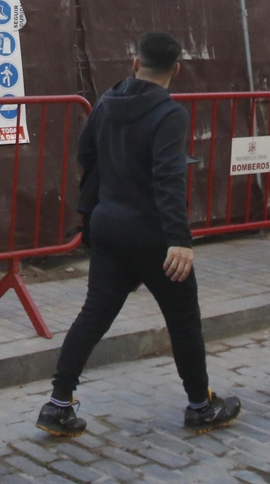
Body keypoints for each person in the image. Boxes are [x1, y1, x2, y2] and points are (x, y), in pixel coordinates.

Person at [36, 31, 241, 438]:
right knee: (183, 320)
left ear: (135, 63)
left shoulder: (106, 103)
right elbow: (168, 176)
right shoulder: (170, 115)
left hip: (108, 225)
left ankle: (58, 404)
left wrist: (95, 206)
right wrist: (179, 239)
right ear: (176, 70)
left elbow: (86, 156)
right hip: (153, 235)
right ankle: (200, 405)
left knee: (93, 315)